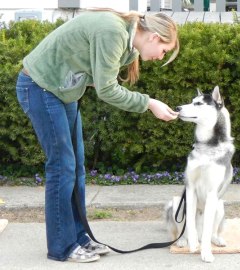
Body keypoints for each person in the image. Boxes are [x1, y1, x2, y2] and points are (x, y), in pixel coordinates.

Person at [16, 9, 179, 263]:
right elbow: (107, 90)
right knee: (62, 167)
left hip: (61, 90)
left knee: (76, 166)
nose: (161, 57)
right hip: (40, 86)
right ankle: (62, 247)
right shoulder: (113, 32)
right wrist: (149, 103)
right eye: (165, 51)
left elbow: (95, 73)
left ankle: (79, 238)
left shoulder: (128, 45)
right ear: (155, 37)